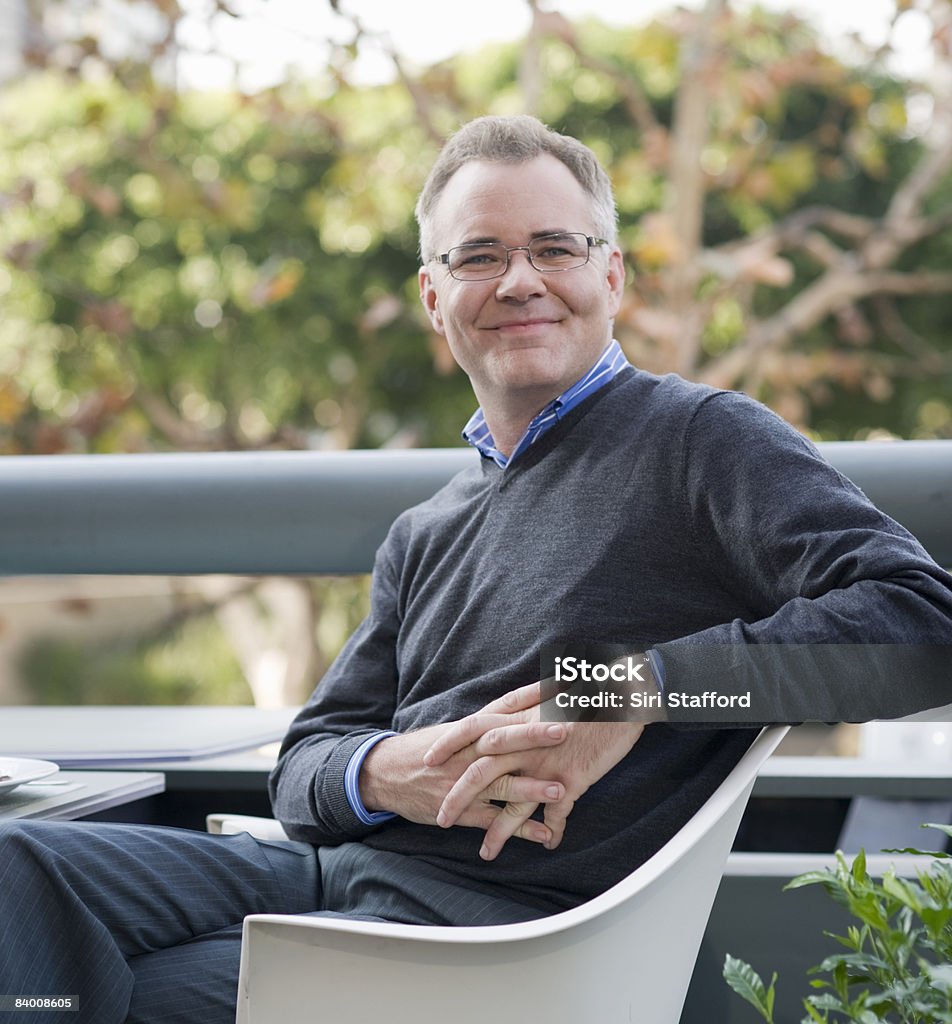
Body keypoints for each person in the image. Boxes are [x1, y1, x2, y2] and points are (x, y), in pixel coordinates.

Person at [1, 115, 950, 1024]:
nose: (520, 281)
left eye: (555, 249)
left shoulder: (698, 440)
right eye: (480, 256)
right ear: (433, 296)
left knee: (118, 995)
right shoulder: (427, 527)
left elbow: (922, 628)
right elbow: (303, 767)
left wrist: (625, 688)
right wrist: (386, 770)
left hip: (488, 939)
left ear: (611, 274)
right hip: (335, 877)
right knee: (17, 872)